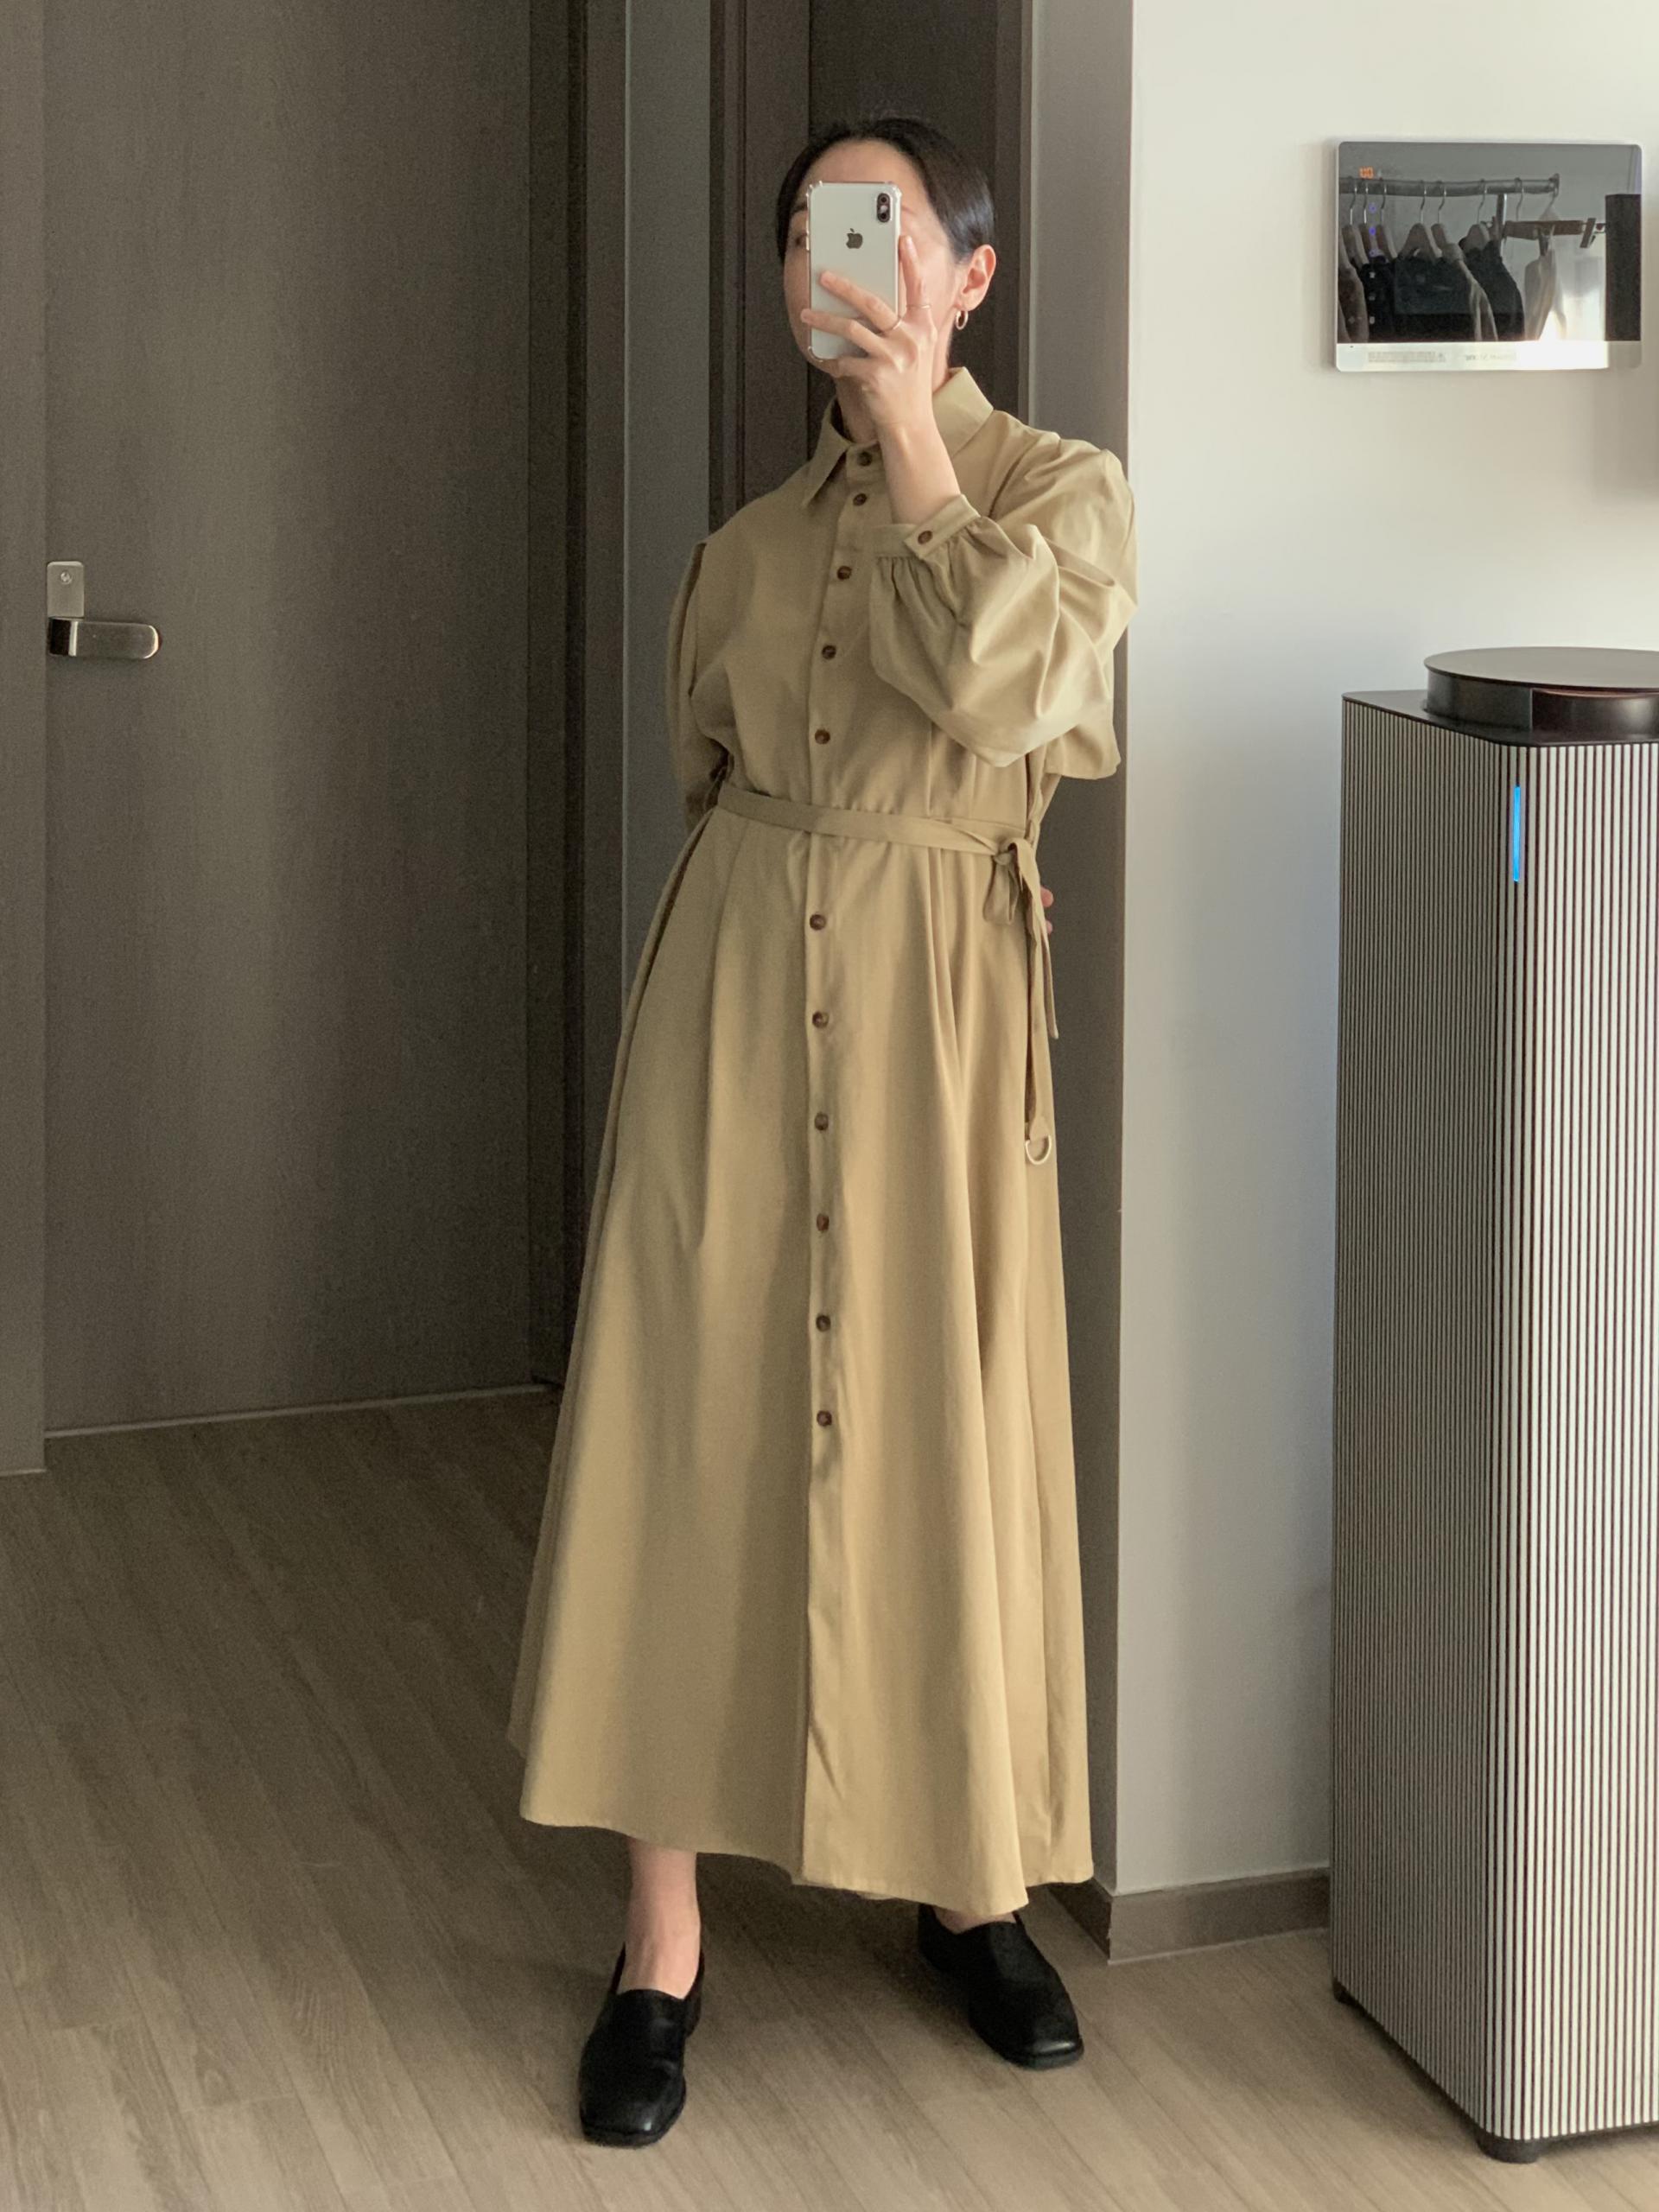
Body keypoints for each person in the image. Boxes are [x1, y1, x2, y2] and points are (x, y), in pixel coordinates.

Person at [505, 110, 1139, 2149]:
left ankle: (971, 1889)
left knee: (943, 1431)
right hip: (731, 1011)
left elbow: (1022, 694)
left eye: (873, 225)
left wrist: (921, 441)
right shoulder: (748, 544)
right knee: (686, 1432)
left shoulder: (1066, 496)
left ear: (968, 271)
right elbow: (706, 769)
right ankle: (661, 1938)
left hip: (939, 1035)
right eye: (806, 228)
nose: (829, 258)